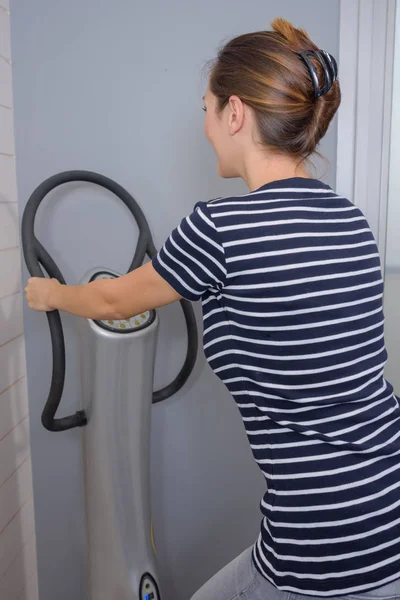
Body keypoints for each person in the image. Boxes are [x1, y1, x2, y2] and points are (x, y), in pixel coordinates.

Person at [25, 17, 400, 600]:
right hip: (386, 505)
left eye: (205, 109)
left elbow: (108, 297)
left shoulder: (221, 229)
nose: (203, 126)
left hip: (323, 542)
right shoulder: (351, 221)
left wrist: (49, 294)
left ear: (234, 113)